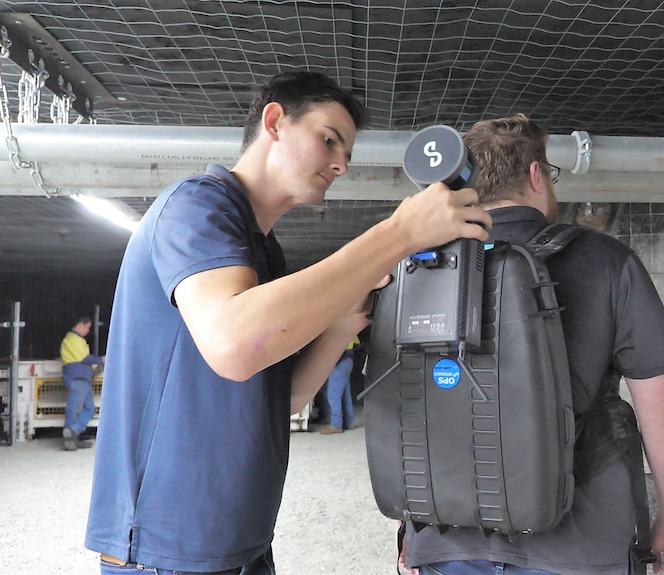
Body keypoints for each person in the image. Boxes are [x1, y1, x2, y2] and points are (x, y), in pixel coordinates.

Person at [84, 70, 491, 575]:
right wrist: (399, 233)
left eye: (346, 153)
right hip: (168, 546)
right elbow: (234, 345)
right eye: (328, 140)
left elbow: (283, 395)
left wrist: (343, 322)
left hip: (240, 538)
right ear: (274, 120)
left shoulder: (262, 250)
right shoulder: (197, 206)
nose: (340, 164)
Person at [399, 114, 664, 575]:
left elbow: (405, 404)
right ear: (537, 175)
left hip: (446, 539)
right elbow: (663, 409)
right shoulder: (608, 261)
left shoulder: (420, 265)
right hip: (578, 547)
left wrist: (409, 530)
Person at [59, 316, 104, 451]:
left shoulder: (76, 340)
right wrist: (101, 359)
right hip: (78, 379)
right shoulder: (73, 339)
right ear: (80, 326)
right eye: (87, 327)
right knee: (75, 410)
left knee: (89, 409)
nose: (88, 331)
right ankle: (71, 434)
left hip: (83, 380)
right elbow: (84, 358)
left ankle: (74, 433)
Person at [320, 334, 361, 434]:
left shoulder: (337, 330)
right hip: (348, 361)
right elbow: (357, 343)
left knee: (333, 394)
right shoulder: (350, 328)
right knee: (345, 394)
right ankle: (349, 422)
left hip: (339, 362)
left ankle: (336, 425)